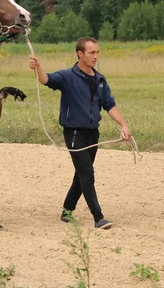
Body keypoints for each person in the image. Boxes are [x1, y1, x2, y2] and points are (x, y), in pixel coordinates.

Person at [28, 37, 131, 229]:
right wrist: (38, 67)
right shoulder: (67, 76)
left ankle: (67, 210)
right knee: (87, 173)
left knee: (80, 174)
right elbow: (45, 79)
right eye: (92, 53)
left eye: (97, 52)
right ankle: (98, 217)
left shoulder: (100, 79)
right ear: (80, 54)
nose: (96, 56)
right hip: (74, 133)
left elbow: (109, 105)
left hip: (93, 134)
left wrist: (123, 124)